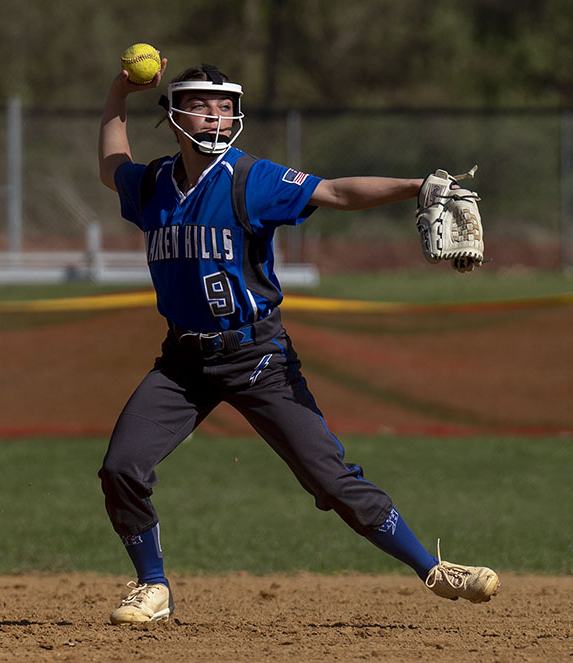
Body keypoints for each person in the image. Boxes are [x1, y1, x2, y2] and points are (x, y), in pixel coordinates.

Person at [96, 57, 499, 624]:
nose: (216, 116)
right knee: (120, 468)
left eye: (226, 106)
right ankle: (152, 585)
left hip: (256, 356)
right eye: (202, 105)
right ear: (173, 114)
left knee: (328, 477)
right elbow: (112, 162)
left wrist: (416, 186)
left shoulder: (248, 178)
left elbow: (334, 191)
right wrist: (120, 89)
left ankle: (432, 568)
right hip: (182, 363)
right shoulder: (154, 185)